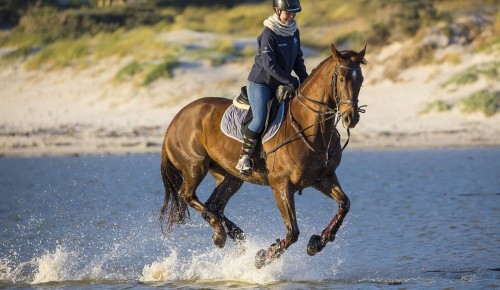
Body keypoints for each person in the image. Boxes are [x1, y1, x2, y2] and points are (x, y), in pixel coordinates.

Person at [236, 0, 308, 175]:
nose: (290, 17)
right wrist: (289, 80)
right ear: (277, 10)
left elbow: (298, 60)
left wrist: (305, 80)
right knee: (260, 119)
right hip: (261, 82)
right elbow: (269, 65)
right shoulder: (269, 34)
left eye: (293, 13)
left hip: (283, 81)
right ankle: (244, 158)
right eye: (287, 13)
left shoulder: (294, 32)